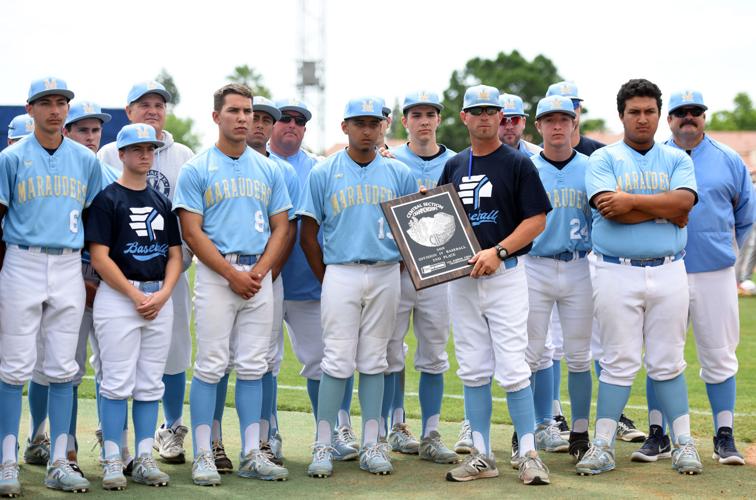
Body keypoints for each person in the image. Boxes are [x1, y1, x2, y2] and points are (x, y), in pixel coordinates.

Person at [577, 78, 702, 476]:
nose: (642, 119)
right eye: (635, 112)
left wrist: (631, 199)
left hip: (669, 268)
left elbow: (685, 202)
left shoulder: (677, 158)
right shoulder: (604, 158)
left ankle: (683, 444)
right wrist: (664, 209)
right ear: (622, 116)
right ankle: (601, 446)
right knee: (618, 361)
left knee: (668, 361)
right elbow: (609, 209)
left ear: (659, 116)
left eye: (649, 111)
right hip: (617, 270)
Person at [174, 84, 291, 485]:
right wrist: (232, 274)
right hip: (216, 276)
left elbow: (281, 227)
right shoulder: (197, 168)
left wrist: (259, 270)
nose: (243, 118)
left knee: (255, 367)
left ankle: (252, 452)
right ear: (216, 117)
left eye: (248, 111)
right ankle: (204, 454)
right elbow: (192, 232)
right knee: (210, 365)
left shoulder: (270, 168)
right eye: (235, 111)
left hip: (258, 276)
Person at [632, 90, 755, 465]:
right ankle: (658, 434)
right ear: (668, 119)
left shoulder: (728, 160)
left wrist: (737, 269)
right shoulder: (655, 158)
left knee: (719, 354)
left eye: (695, 112)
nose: (689, 118)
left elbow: (747, 220)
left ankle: (724, 435)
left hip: (714, 271)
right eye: (681, 112)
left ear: (704, 116)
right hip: (665, 266)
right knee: (660, 356)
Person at [298, 96, 416, 478]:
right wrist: (328, 275)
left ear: (384, 126)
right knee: (335, 360)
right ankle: (323, 443)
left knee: (375, 361)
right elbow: (308, 235)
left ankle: (372, 444)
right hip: (341, 272)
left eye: (374, 123)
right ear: (344, 126)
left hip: (385, 272)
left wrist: (395, 268)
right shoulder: (323, 171)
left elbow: (411, 233)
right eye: (359, 123)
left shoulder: (399, 173)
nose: (367, 130)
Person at [440, 85, 551, 485]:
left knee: (513, 366)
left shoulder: (518, 163)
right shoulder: (454, 165)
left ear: (501, 118)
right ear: (465, 117)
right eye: (477, 111)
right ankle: (483, 455)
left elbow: (537, 219)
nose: (486, 117)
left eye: (492, 111)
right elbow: (441, 218)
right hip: (464, 278)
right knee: (472, 368)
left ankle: (529, 452)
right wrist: (424, 206)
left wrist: (499, 252)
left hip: (505, 274)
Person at [0, 76, 102, 495]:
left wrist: (91, 272)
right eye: (46, 103)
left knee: (64, 368)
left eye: (61, 102)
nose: (55, 110)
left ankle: (59, 460)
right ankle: (7, 462)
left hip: (66, 265)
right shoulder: (10, 157)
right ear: (30, 109)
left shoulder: (85, 159)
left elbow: (96, 222)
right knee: (12, 367)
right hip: (21, 260)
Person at [98, 81, 195, 465]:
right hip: (118, 282)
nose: (153, 110)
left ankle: (165, 435)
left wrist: (166, 287)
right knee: (113, 368)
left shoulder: (183, 155)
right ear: (129, 110)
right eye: (144, 104)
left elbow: (179, 235)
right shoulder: (106, 156)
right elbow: (101, 237)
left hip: (169, 279)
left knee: (168, 361)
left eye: (159, 104)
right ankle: (114, 442)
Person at [87, 123, 182, 489]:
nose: (145, 154)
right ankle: (114, 459)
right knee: (115, 383)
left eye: (151, 149)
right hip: (119, 298)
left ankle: (143, 457)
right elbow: (99, 256)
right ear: (121, 154)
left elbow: (174, 255)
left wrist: (163, 294)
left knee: (148, 385)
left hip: (158, 298)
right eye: (137, 148)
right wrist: (133, 294)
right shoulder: (107, 198)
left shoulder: (161, 201)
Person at [270, 99, 359, 452]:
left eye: (299, 121)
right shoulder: (258, 164)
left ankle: (337, 431)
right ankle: (267, 435)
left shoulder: (320, 167)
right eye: (284, 119)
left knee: (327, 361)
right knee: (262, 364)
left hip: (310, 282)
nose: (292, 124)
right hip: (266, 282)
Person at [382, 91, 457, 464]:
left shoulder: (457, 162)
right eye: (417, 114)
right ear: (404, 121)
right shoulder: (390, 160)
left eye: (430, 114)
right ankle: (394, 427)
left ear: (439, 120)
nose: (424, 120)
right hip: (397, 268)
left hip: (440, 270)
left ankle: (430, 433)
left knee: (434, 355)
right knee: (389, 352)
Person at [522, 96, 593, 463]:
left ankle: (579, 433)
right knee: (532, 354)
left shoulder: (593, 166)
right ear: (539, 126)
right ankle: (535, 429)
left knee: (580, 356)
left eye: (564, 118)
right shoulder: (526, 166)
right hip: (534, 265)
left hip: (581, 264)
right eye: (549, 120)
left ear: (574, 121)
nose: (557, 126)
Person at [545, 81, 605, 156]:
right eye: (561, 105)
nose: (569, 110)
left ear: (580, 108)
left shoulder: (602, 153)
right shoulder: (534, 155)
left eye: (573, 104)